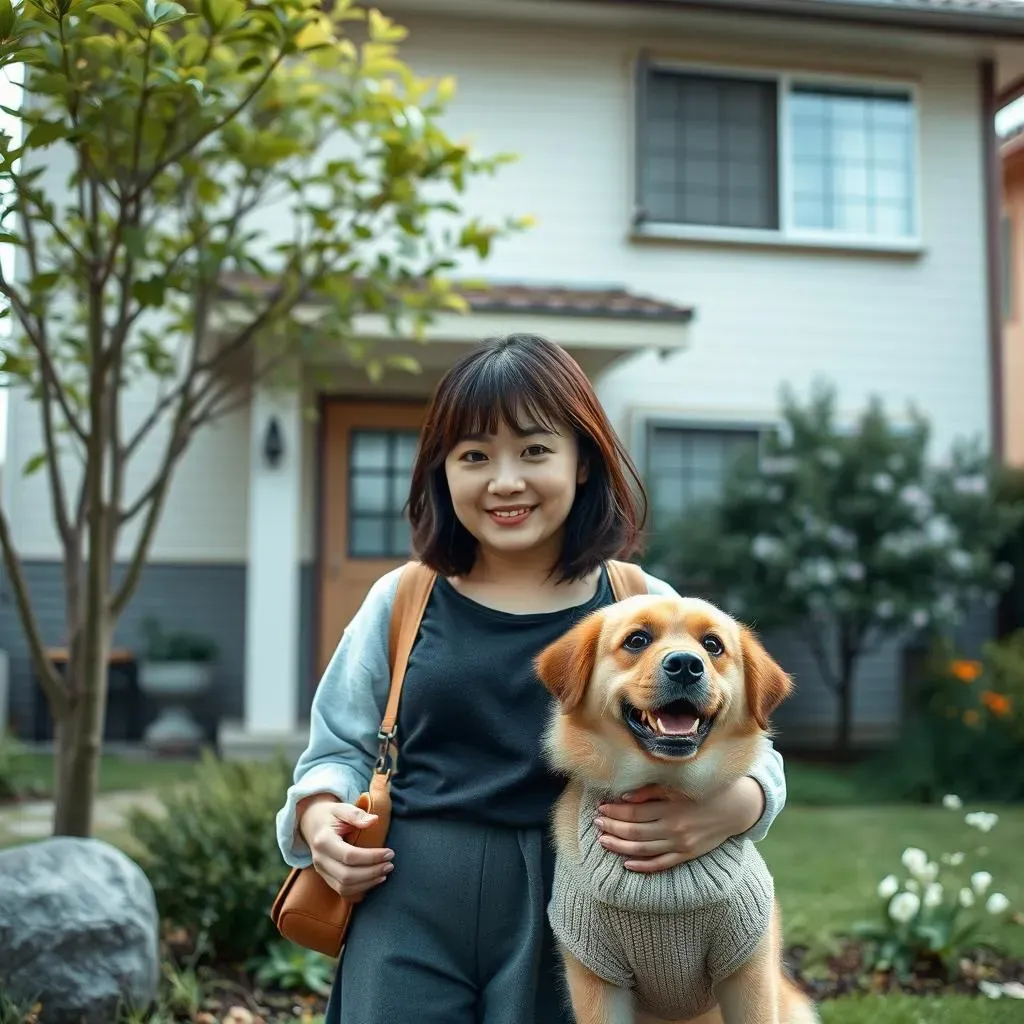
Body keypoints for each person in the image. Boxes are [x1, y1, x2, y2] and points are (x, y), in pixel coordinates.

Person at [275, 333, 787, 1024]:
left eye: (535, 450)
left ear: (582, 462)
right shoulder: (402, 600)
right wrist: (318, 817)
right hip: (407, 900)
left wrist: (737, 808)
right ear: (442, 471)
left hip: (579, 909)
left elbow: (754, 740)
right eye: (474, 455)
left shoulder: (641, 607)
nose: (505, 480)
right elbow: (335, 751)